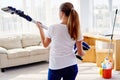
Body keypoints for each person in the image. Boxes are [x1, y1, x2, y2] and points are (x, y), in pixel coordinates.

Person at [36, 2, 84, 80]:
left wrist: (40, 29)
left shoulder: (53, 28)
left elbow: (45, 45)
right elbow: (80, 53)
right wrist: (84, 52)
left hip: (56, 66)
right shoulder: (76, 30)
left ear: (62, 13)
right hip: (71, 66)